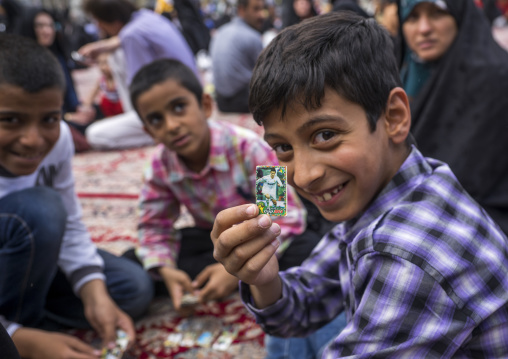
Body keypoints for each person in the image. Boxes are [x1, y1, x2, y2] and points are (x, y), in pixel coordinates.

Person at [211, 12, 508, 357]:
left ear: (394, 117)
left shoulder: (405, 257)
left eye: (325, 135)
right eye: (283, 148)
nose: (304, 176)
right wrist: (263, 279)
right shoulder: (388, 187)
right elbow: (306, 300)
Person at [126, 58, 327, 315]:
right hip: (216, 240)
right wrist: (166, 271)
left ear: (205, 105)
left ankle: (242, 279)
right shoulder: (159, 166)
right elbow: (154, 227)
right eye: (156, 119)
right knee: (138, 261)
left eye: (179, 107)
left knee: (309, 248)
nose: (172, 125)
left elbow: (285, 218)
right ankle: (199, 278)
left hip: (262, 237)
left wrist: (235, 273)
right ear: (149, 131)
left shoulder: (249, 148)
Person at [0, 34, 153, 358]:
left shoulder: (60, 141)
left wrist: (94, 291)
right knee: (41, 210)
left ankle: (32, 318)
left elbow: (69, 220)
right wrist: (19, 338)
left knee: (132, 290)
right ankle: (20, 328)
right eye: (11, 120)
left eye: (50, 119)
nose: (33, 140)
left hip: (26, 264)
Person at [397, 0, 508, 236]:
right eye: (412, 17)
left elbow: (470, 178)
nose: (424, 28)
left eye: (437, 13)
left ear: (460, 16)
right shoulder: (402, 75)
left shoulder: (493, 78)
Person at [78, 0, 197, 150]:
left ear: (112, 20)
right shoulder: (147, 17)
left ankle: (148, 126)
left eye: (99, 21)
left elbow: (141, 86)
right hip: (190, 94)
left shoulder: (131, 36)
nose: (99, 27)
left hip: (170, 103)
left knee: (95, 135)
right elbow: (123, 38)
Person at [18, 8, 96, 152]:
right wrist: (67, 116)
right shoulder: (24, 62)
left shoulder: (58, 56)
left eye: (50, 25)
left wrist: (80, 108)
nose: (47, 31)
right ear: (29, 28)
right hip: (46, 118)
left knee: (97, 113)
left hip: (66, 114)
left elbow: (69, 92)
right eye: (40, 26)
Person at [209, 0, 265, 114]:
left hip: (221, 102)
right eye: (256, 9)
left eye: (262, 9)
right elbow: (266, 75)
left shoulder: (221, 31)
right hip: (242, 102)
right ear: (241, 10)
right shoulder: (252, 37)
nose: (261, 14)